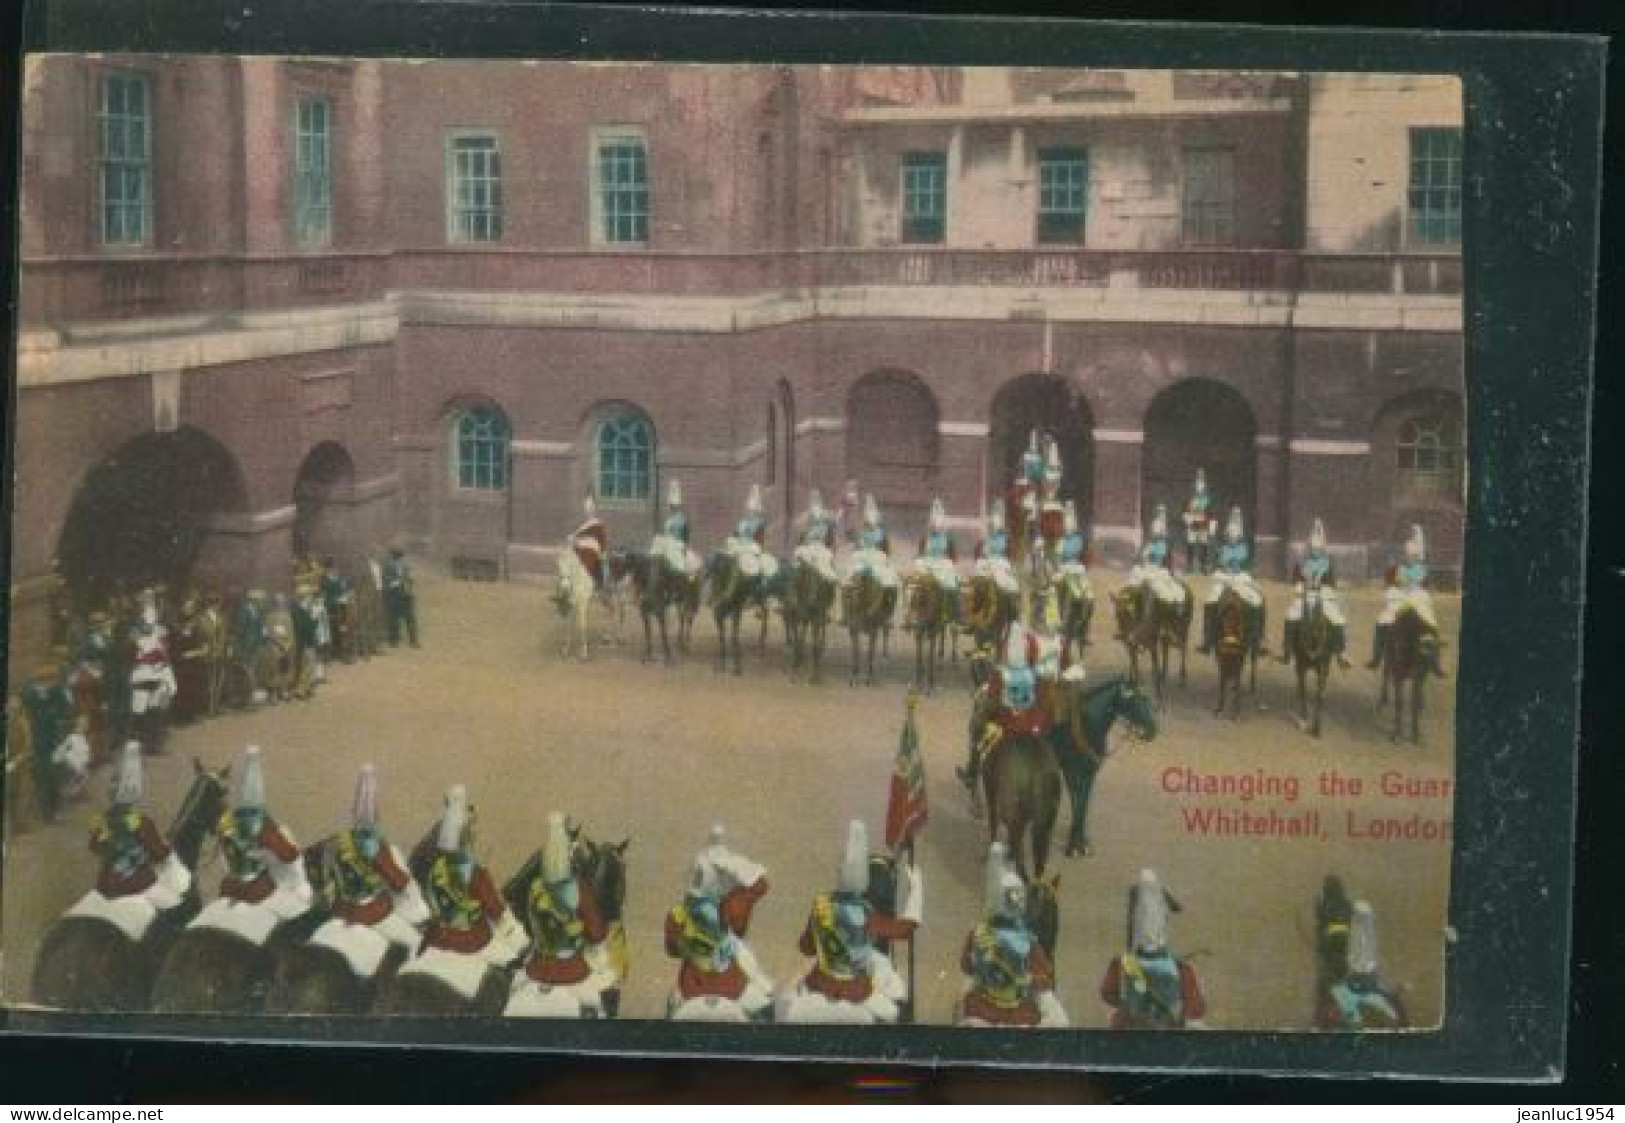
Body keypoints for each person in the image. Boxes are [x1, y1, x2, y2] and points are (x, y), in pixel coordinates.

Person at [782, 820, 916, 1023]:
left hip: (820, 984)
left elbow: (806, 948)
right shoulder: (864, 911)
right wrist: (917, 891)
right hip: (854, 990)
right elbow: (905, 930)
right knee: (894, 1012)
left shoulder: (820, 903)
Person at [191, 745, 312, 939]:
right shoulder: (269, 828)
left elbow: (224, 862)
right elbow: (291, 859)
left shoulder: (225, 825)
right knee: (302, 918)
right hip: (260, 891)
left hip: (229, 889)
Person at [510, 811, 620, 1014]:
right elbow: (597, 935)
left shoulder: (535, 887)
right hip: (571, 970)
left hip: (535, 968)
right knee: (607, 989)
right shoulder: (580, 889)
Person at [665, 825, 774, 1019]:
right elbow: (762, 884)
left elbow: (672, 950)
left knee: (671, 1007)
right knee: (766, 1001)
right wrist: (735, 864)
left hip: (690, 989)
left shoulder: (676, 914)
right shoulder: (732, 907)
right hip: (731, 989)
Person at [417, 785, 526, 969]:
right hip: (471, 939)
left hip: (439, 937)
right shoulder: (476, 873)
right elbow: (496, 911)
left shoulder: (434, 872)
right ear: (467, 839)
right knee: (513, 964)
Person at [960, 843, 1066, 1027]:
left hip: (980, 1008)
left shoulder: (976, 934)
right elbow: (1043, 979)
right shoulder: (1029, 942)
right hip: (1020, 1014)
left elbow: (967, 966)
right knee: (1060, 1022)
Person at [324, 764, 425, 954]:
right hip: (372, 912)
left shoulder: (334, 843)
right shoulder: (382, 847)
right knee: (415, 943)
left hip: (340, 911)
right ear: (376, 818)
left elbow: (328, 879)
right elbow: (399, 883)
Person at [85, 742, 192, 915]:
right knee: (177, 906)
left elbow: (95, 847)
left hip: (105, 886)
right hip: (138, 884)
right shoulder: (141, 822)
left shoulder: (101, 821)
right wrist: (166, 847)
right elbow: (159, 854)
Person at [1099, 869, 1206, 1029]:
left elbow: (1107, 994)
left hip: (1138, 948)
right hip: (1168, 1023)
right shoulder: (1161, 888)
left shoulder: (1134, 889)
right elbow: (1197, 1008)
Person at [1368, 524, 1445, 677]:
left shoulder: (1423, 568)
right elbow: (1389, 584)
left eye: (1412, 555)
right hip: (1400, 600)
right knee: (1382, 621)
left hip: (1417, 600)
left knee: (1432, 624)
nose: (1409, 557)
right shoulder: (1397, 568)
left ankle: (1435, 662)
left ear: (1416, 555)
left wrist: (1420, 588)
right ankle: (1376, 657)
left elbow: (1428, 587)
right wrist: (1396, 586)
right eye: (1407, 554)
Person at [1318, 900, 1408, 1029]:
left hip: (1359, 972)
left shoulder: (1339, 994)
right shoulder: (1345, 998)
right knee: (1365, 942)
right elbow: (1379, 997)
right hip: (1364, 972)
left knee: (1361, 943)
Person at [1281, 518, 1351, 666]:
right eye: (1313, 548)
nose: (1315, 551)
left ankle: (1341, 653)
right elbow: (1295, 580)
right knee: (1290, 615)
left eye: (1318, 549)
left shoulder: (1328, 562)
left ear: (1323, 548)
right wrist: (1302, 583)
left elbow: (1332, 583)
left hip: (1323, 595)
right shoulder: (1302, 561)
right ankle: (1287, 650)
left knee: (1338, 619)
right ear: (1309, 547)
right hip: (1305, 594)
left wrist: (1322, 585)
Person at [1198, 506, 1265, 655]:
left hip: (1241, 577)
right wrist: (1221, 565)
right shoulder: (1223, 548)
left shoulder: (1245, 548)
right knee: (1210, 600)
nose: (1232, 538)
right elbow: (1218, 562)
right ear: (1227, 535)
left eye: (1235, 536)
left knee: (1257, 600)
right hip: (1225, 578)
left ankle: (1258, 639)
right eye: (1230, 536)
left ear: (1239, 536)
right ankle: (1207, 639)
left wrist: (1241, 568)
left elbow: (1247, 565)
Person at [23, 652, 76, 823]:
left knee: (54, 776)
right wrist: (52, 713)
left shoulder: (56, 692)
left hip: (54, 740)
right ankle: (45, 812)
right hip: (38, 742)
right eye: (50, 680)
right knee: (44, 777)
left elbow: (67, 708)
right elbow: (36, 717)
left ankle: (52, 811)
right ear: (42, 680)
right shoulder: (30, 695)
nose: (52, 683)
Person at [127, 595, 176, 754]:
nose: (150, 614)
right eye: (146, 610)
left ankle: (155, 744)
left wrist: (164, 664)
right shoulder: (134, 632)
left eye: (152, 610)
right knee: (140, 710)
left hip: (158, 672)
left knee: (156, 709)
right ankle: (141, 743)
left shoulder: (160, 630)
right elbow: (139, 651)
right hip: (142, 674)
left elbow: (165, 652)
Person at [1129, 505, 1187, 608]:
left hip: (1160, 572)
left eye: (1162, 512)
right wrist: (1139, 558)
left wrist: (1173, 571)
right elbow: (1140, 559)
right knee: (1134, 577)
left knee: (1172, 593)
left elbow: (1169, 563)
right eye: (1159, 511)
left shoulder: (1165, 546)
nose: (1155, 533)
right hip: (1147, 570)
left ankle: (1176, 607)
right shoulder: (1149, 545)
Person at [725, 485, 778, 582]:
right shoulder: (742, 522)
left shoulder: (759, 524)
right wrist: (733, 540)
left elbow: (762, 539)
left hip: (752, 546)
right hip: (740, 544)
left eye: (752, 511)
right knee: (729, 557)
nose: (750, 513)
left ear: (757, 512)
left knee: (753, 561)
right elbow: (736, 534)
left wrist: (761, 544)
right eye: (748, 510)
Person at [650, 479, 700, 579]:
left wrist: (684, 546)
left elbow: (686, 537)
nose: (671, 508)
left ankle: (680, 573)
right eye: (671, 506)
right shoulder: (669, 519)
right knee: (657, 540)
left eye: (673, 506)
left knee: (680, 561)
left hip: (677, 544)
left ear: (677, 507)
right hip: (667, 543)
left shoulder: (682, 520)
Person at [973, 501, 1020, 596]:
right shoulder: (986, 538)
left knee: (1011, 587)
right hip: (988, 565)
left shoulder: (1007, 538)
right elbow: (979, 554)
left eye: (998, 516)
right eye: (994, 516)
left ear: (1002, 519)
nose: (996, 520)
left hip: (1001, 566)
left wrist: (1008, 564)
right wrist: (983, 558)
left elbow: (1012, 556)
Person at [913, 498, 961, 593]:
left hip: (943, 565)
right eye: (934, 522)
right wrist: (920, 560)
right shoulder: (925, 539)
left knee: (951, 583)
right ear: (930, 523)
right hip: (928, 564)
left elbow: (953, 557)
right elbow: (920, 554)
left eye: (939, 522)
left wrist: (948, 562)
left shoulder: (948, 539)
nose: (936, 525)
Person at [792, 490, 840, 583]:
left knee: (824, 559)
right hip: (809, 544)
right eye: (813, 498)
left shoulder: (825, 515)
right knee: (799, 557)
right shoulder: (808, 513)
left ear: (820, 500)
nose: (814, 500)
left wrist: (831, 519)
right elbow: (797, 524)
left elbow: (834, 522)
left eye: (816, 497)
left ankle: (829, 580)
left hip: (820, 544)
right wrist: (804, 523)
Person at [383, 547, 419, 648]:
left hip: (406, 595)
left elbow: (411, 580)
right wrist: (398, 582)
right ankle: (394, 640)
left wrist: (409, 581)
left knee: (410, 618)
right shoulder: (388, 567)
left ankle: (414, 640)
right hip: (394, 595)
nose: (401, 560)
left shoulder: (406, 567)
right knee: (394, 619)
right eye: (399, 558)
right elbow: (386, 581)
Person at [1182, 468, 1215, 575]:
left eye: (1201, 484)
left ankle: (1204, 566)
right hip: (1192, 526)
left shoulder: (1208, 498)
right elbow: (1185, 510)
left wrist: (1212, 525)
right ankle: (1190, 566)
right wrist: (1187, 518)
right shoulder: (1190, 497)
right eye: (1197, 484)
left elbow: (1211, 512)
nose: (1199, 486)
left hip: (1203, 526)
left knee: (1204, 545)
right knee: (1190, 545)